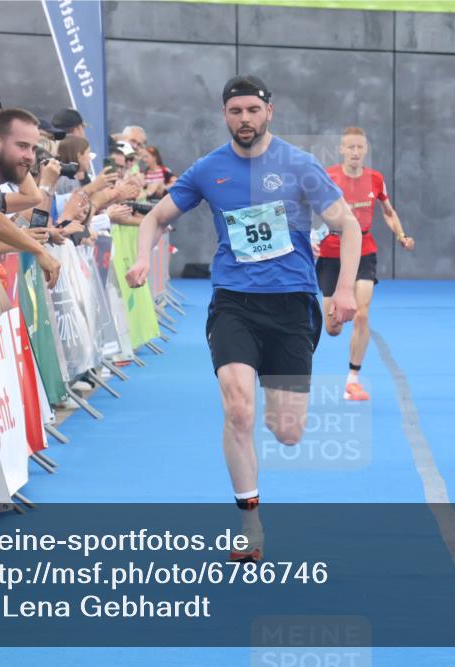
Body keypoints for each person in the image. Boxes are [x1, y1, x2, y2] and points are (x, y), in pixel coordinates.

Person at [125, 75, 361, 561]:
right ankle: (249, 522)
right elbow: (155, 216)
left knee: (287, 430)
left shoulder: (299, 165)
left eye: (253, 110)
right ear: (225, 115)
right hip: (233, 301)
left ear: (268, 112)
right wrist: (145, 258)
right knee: (238, 410)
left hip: (293, 304)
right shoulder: (210, 169)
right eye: (236, 111)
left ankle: (276, 439)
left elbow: (348, 223)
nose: (245, 119)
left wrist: (342, 289)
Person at [315, 127, 415, 401]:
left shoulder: (375, 179)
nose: (355, 152)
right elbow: (312, 209)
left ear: (366, 150)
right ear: (341, 150)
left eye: (360, 147)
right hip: (331, 253)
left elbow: (389, 212)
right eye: (350, 147)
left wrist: (401, 235)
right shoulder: (329, 177)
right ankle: (335, 321)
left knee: (362, 313)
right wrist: (311, 237)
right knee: (333, 327)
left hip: (364, 250)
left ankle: (352, 380)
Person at [0, 107, 62, 342]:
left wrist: (18, 160)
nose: (30, 156)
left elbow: (32, 197)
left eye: (33, 149)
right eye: (22, 146)